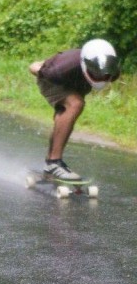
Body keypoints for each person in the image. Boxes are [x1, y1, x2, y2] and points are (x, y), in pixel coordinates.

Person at [29, 38, 120, 180]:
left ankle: (49, 166)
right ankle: (54, 162)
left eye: (103, 74)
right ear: (86, 65)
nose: (101, 76)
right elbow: (34, 66)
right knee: (75, 104)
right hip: (52, 81)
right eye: (96, 72)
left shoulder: (110, 70)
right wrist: (42, 66)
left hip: (77, 83)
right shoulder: (59, 68)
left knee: (64, 118)